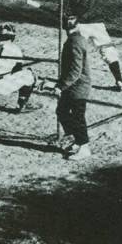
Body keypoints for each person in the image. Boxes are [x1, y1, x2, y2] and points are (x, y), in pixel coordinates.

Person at [64, 0, 122, 91]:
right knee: (108, 51)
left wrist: (68, 20)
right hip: (97, 24)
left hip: (80, 26)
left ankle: (72, 80)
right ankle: (119, 80)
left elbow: (65, 11)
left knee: (76, 52)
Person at [55, 15, 92, 160]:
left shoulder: (74, 42)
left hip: (78, 86)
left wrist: (60, 86)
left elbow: (75, 71)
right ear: (78, 25)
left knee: (77, 116)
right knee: (62, 111)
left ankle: (84, 147)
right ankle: (77, 140)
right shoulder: (77, 39)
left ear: (64, 28)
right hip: (73, 85)